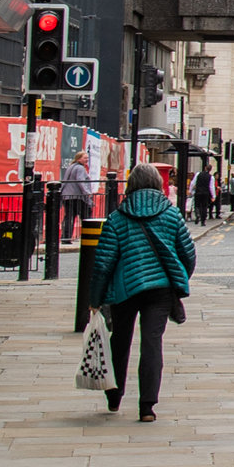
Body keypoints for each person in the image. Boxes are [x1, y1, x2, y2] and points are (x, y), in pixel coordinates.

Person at [90, 164, 194, 421]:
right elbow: (188, 254)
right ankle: (147, 406)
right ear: (158, 183)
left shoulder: (117, 218)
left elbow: (103, 263)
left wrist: (94, 300)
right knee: (151, 343)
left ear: (131, 185)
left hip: (124, 288)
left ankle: (114, 397)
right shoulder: (171, 215)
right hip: (160, 290)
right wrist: (178, 279)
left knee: (120, 341)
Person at [61, 150, 96, 238]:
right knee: (86, 215)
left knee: (69, 217)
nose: (87, 159)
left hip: (67, 196)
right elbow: (81, 181)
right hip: (77, 196)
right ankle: (88, 235)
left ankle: (66, 237)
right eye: (85, 158)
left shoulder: (71, 166)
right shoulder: (80, 168)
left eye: (87, 158)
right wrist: (87, 193)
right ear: (79, 159)